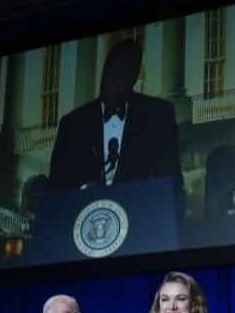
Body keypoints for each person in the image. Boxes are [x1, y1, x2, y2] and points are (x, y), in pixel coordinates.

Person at [47, 39, 183, 202]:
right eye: (109, 73)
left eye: (122, 77)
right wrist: (83, 192)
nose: (112, 82)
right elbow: (56, 191)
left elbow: (171, 184)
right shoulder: (72, 125)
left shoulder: (158, 116)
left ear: (134, 80)